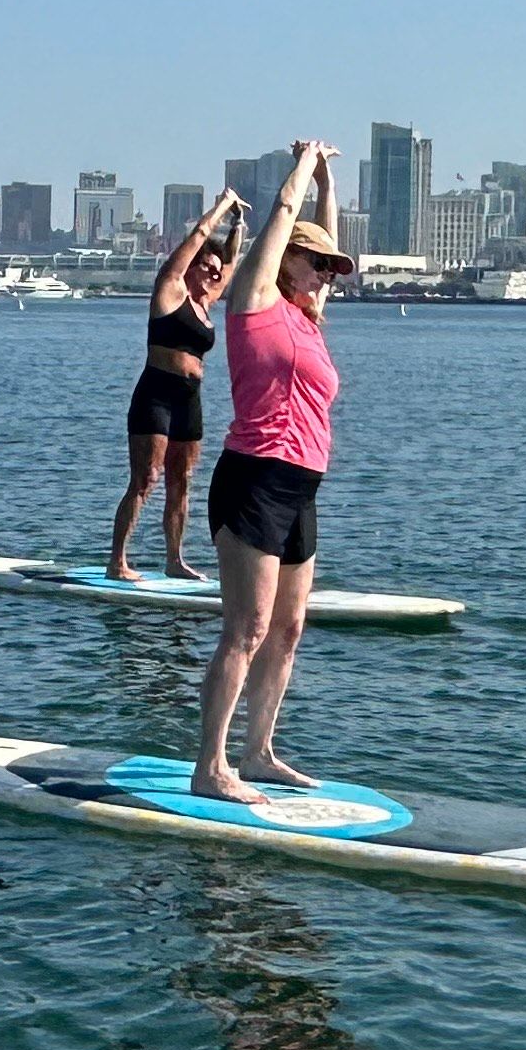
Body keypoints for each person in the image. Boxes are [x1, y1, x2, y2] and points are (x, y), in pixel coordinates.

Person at [192, 141, 352, 803]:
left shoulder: (311, 320)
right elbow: (287, 212)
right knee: (247, 630)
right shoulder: (254, 306)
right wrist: (305, 165)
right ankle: (211, 766)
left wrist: (330, 182)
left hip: (301, 488)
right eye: (312, 263)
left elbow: (323, 231)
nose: (322, 274)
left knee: (287, 629)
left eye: (327, 268)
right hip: (254, 476)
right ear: (283, 259)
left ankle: (258, 752)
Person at [107, 188, 246, 580]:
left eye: (217, 271)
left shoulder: (208, 301)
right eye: (207, 267)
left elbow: (232, 261)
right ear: (191, 266)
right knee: (145, 479)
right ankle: (117, 561)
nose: (215, 273)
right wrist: (222, 205)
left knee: (180, 481)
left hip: (189, 399)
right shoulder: (170, 289)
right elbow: (199, 236)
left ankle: (174, 560)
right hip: (156, 395)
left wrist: (238, 224)